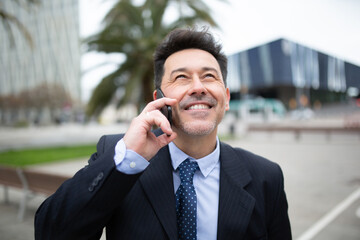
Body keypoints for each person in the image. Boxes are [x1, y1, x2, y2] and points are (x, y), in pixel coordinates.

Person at [35, 27, 291, 240]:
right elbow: (51, 232)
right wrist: (128, 160)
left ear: (225, 98)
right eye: (181, 78)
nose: (198, 87)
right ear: (159, 99)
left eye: (209, 76)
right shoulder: (121, 156)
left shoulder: (266, 178)